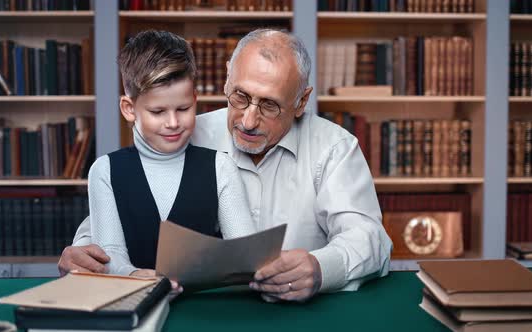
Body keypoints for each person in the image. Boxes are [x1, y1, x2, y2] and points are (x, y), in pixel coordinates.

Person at [59, 29, 393, 303]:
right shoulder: (183, 132)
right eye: (240, 97)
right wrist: (83, 252)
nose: (248, 120)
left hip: (295, 314)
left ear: (301, 102)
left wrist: (320, 268)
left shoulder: (334, 148)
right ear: (226, 80)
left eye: (270, 105)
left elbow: (370, 239)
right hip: (198, 310)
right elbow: (121, 205)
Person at [86, 30, 256, 292]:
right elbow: (110, 252)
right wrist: (133, 275)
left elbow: (244, 252)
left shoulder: (220, 167)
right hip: (133, 306)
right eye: (158, 111)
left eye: (183, 109)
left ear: (195, 101)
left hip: (206, 311)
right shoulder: (105, 171)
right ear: (129, 109)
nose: (173, 123)